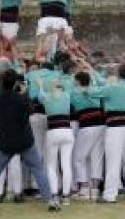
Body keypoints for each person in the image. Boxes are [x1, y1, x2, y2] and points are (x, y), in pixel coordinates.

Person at [0, 69, 61, 212]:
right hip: (24, 140)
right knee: (38, 169)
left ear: (1, 83)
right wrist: (24, 93)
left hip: (4, 140)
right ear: (15, 83)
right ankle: (50, 201)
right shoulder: (22, 98)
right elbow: (31, 111)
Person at [95, 63, 125, 203]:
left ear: (119, 74)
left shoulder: (112, 88)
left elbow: (94, 92)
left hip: (115, 127)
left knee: (113, 161)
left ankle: (109, 195)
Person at [38, 77, 74, 205]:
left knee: (51, 165)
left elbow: (40, 95)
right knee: (66, 164)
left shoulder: (46, 96)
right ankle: (66, 195)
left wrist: (41, 85)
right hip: (67, 131)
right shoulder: (67, 95)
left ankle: (54, 194)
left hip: (53, 131)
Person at [70, 70, 105, 201]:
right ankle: (95, 190)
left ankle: (84, 190)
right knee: (97, 157)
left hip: (87, 125)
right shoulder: (95, 89)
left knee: (79, 157)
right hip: (101, 124)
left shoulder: (74, 92)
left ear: (78, 81)